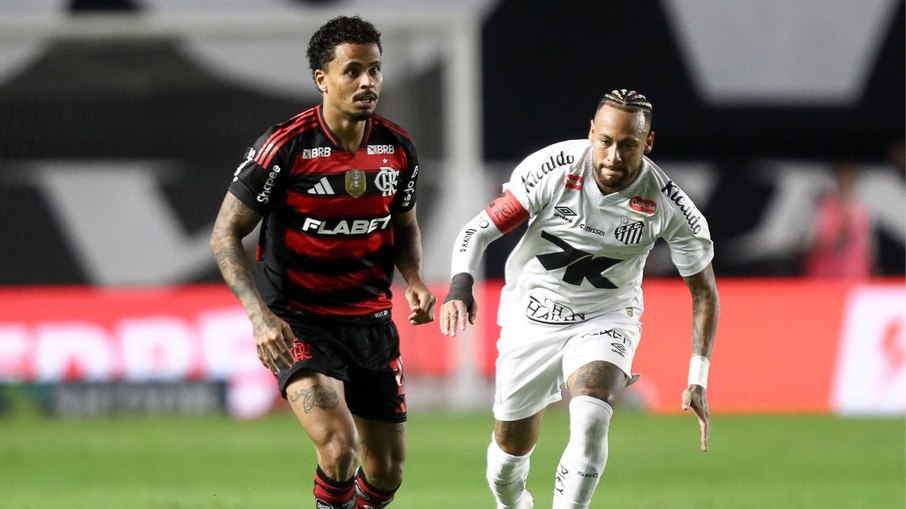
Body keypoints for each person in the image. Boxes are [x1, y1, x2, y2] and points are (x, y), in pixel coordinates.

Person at [440, 90, 719, 509]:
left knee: (591, 415)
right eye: (605, 140)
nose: (613, 155)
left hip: (605, 315)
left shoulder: (669, 204)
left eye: (628, 144)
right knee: (506, 464)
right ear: (591, 132)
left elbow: (704, 292)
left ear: (649, 143)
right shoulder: (553, 169)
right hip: (532, 313)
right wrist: (460, 286)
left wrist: (697, 377)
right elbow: (477, 231)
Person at [210, 15, 435, 509]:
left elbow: (404, 226)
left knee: (387, 472)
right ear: (322, 79)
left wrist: (414, 277)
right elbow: (226, 234)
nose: (367, 82)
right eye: (352, 71)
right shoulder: (285, 146)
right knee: (338, 447)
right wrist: (260, 318)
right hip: (300, 323)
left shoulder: (397, 150)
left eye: (374, 70)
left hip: (371, 324)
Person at [802, 161, 875, 278]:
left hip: (853, 271)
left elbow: (867, 243)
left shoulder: (861, 207)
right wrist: (829, 245)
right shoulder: (823, 206)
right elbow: (811, 240)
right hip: (823, 269)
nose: (845, 181)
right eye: (841, 177)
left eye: (849, 178)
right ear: (835, 179)